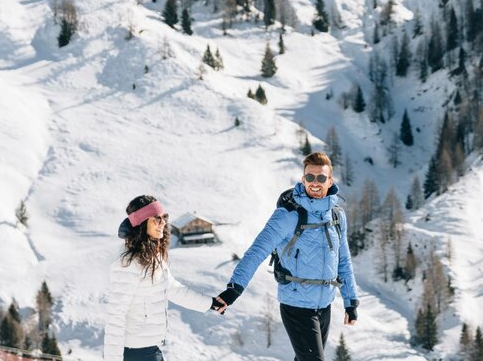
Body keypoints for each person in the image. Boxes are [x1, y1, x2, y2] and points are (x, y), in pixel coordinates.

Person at [216, 152, 359, 361]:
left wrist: (351, 300)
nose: (315, 183)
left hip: (324, 305)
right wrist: (233, 290)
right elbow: (256, 252)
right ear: (303, 179)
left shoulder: (337, 216)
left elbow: (343, 260)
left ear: (330, 181)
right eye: (310, 177)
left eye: (321, 178)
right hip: (296, 304)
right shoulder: (288, 215)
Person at [104, 195, 226, 361]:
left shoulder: (151, 256)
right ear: (141, 223)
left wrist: (210, 303)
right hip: (135, 353)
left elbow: (173, 289)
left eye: (164, 217)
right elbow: (115, 316)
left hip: (149, 349)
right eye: (156, 218)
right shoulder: (129, 264)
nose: (162, 223)